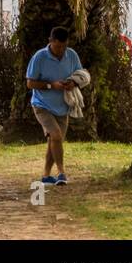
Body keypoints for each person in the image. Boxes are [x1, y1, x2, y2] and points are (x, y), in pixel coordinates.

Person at [25, 25, 82, 186]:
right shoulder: (40, 57)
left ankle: (45, 175)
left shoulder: (71, 55)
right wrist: (51, 85)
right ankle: (62, 172)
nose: (60, 50)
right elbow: (30, 83)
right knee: (56, 136)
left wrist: (73, 83)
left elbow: (80, 74)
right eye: (58, 46)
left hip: (63, 105)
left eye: (64, 47)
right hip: (42, 105)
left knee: (54, 140)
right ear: (50, 41)